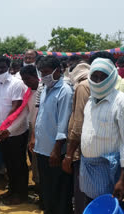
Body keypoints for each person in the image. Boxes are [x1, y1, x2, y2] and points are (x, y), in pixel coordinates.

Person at [80, 57, 124, 206]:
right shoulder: (90, 101)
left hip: (110, 171)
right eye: (95, 77)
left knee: (110, 206)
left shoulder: (120, 102)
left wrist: (122, 180)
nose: (98, 81)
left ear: (112, 77)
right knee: (92, 205)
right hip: (88, 169)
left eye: (103, 77)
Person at [0, 56, 29, 205]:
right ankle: (12, 190)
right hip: (1, 132)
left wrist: (4, 127)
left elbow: (16, 107)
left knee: (18, 163)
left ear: (9, 68)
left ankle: (22, 193)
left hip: (15, 131)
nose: (0, 70)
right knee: (8, 163)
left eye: (3, 68)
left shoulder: (17, 84)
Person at [34, 56, 74, 214]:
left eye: (47, 72)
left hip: (55, 151)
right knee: (48, 189)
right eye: (42, 73)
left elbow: (63, 124)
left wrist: (56, 150)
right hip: (42, 149)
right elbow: (42, 116)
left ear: (59, 70)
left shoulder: (65, 91)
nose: (44, 76)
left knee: (59, 192)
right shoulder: (45, 88)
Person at [61, 59, 90, 214]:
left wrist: (69, 154)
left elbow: (78, 122)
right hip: (92, 146)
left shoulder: (82, 87)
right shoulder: (96, 84)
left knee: (80, 190)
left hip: (80, 147)